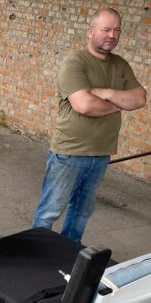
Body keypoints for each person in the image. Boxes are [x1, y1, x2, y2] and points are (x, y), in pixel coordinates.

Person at [32, 7, 146, 242]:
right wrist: (119, 104)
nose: (112, 35)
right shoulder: (75, 63)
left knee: (81, 213)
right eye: (106, 29)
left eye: (117, 30)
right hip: (70, 153)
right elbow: (84, 105)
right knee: (50, 211)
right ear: (90, 31)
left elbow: (139, 99)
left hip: (101, 154)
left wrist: (106, 93)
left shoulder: (120, 65)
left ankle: (69, 255)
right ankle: (33, 256)